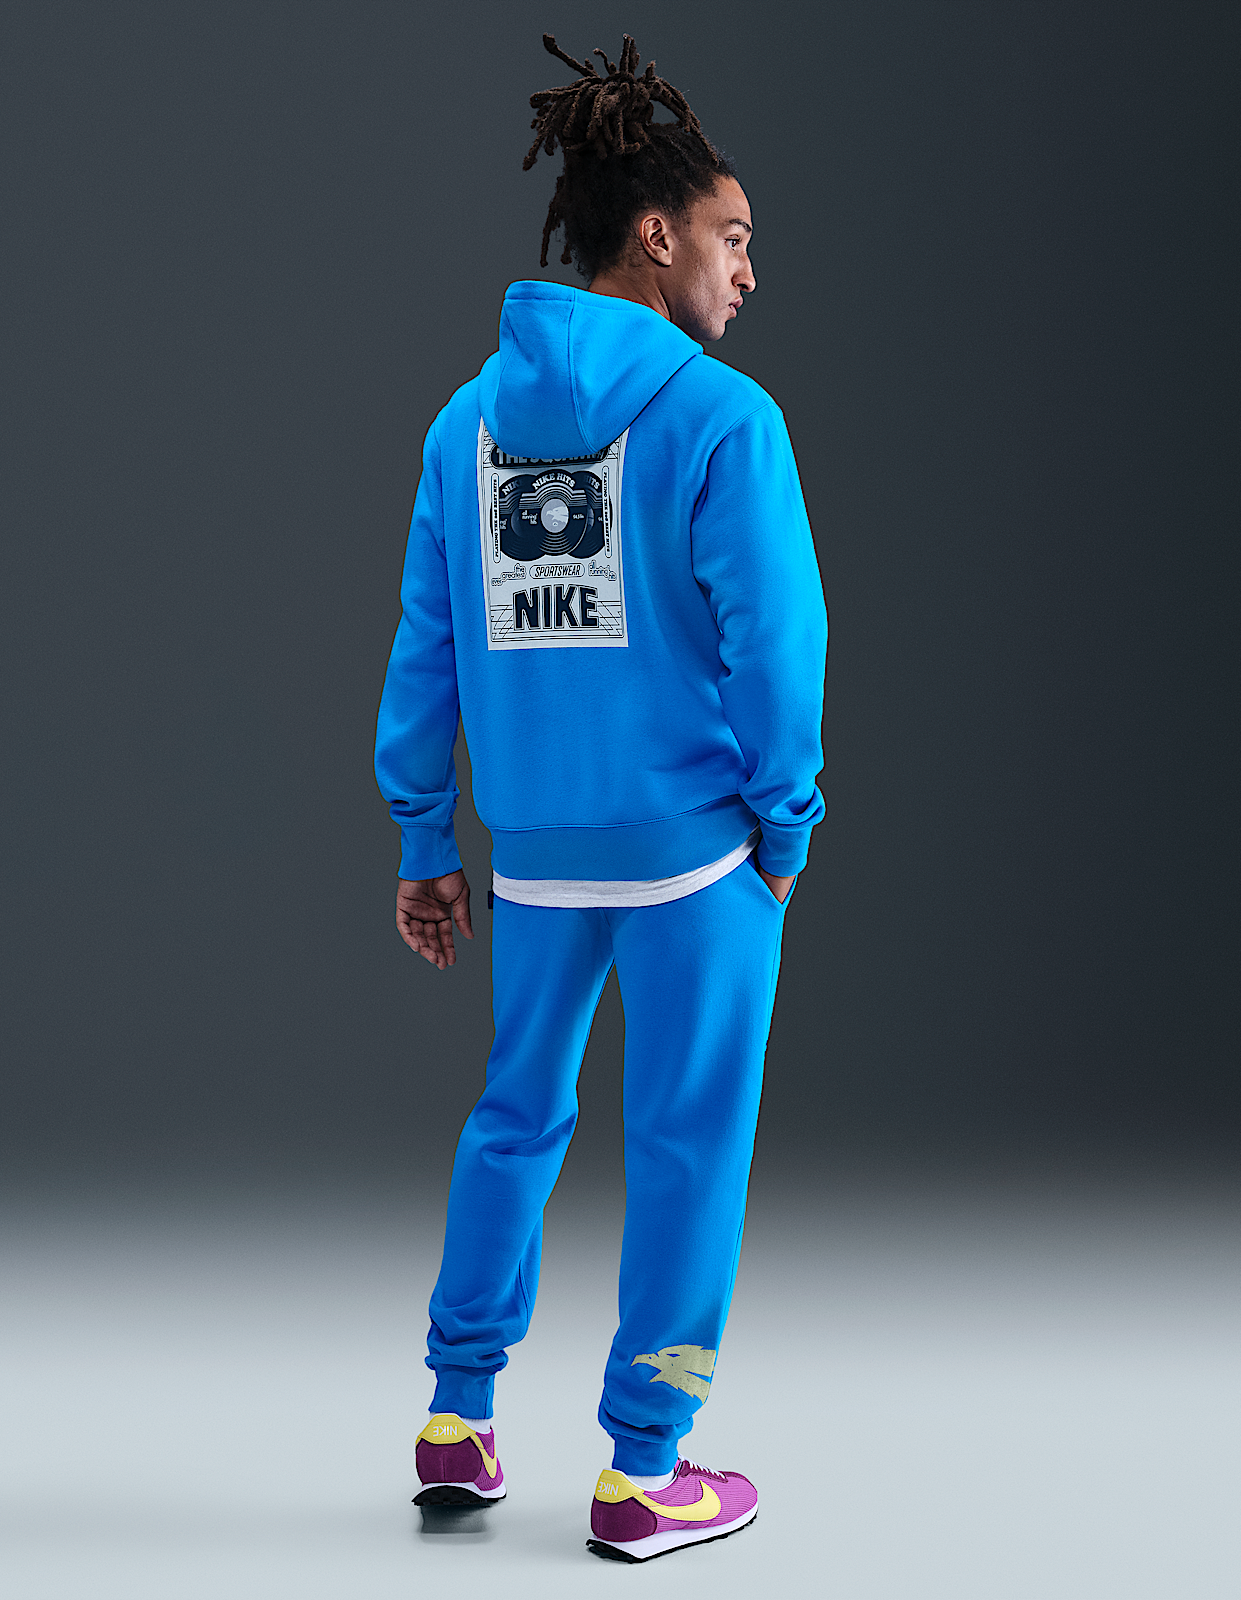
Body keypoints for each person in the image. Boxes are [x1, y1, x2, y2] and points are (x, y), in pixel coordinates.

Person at [375, 33, 827, 1563]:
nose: (746, 271)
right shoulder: (725, 419)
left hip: (537, 857)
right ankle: (645, 1468)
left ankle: (456, 1413)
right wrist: (786, 827)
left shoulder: (463, 428)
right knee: (688, 1142)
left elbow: (428, 646)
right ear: (655, 234)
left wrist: (426, 838)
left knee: (516, 1116)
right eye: (731, 237)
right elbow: (779, 646)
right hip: (697, 858)